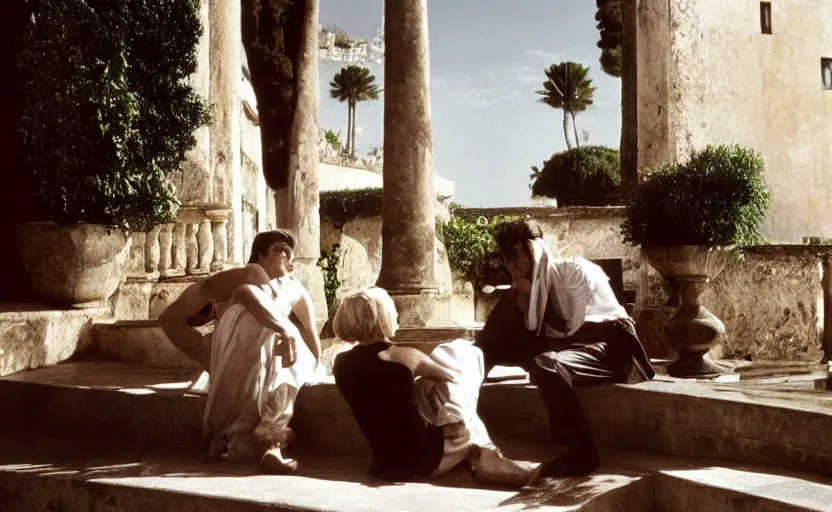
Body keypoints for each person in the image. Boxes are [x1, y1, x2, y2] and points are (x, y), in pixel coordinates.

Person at [475, 220, 654, 480]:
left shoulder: (572, 272)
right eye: (506, 258)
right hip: (579, 350)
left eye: (515, 255)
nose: (511, 265)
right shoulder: (529, 292)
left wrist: (532, 312)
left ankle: (582, 451)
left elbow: (592, 328)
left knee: (547, 363)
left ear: (533, 250)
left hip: (617, 349)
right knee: (512, 337)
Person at [331, 286, 535, 486]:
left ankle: (478, 448)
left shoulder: (340, 364)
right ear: (386, 316)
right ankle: (485, 452)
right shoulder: (405, 357)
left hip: (385, 465)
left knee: (427, 384)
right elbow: (450, 378)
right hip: (426, 461)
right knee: (454, 360)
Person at [158, 229, 321, 474]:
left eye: (291, 254)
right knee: (267, 319)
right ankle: (270, 442)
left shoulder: (294, 289)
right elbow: (169, 319)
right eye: (280, 251)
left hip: (262, 363)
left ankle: (254, 444)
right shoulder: (247, 276)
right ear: (261, 256)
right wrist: (203, 352)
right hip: (234, 357)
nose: (288, 258)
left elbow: (312, 335)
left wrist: (311, 363)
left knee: (291, 356)